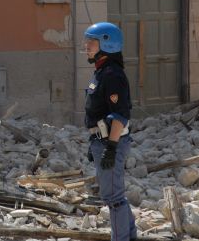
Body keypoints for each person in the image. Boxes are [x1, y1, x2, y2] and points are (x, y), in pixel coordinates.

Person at [83, 22, 137, 241]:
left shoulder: (113, 74)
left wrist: (111, 149)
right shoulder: (101, 71)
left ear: (108, 44)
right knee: (115, 196)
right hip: (102, 141)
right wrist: (94, 142)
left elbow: (120, 115)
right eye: (86, 42)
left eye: (92, 42)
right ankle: (130, 236)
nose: (87, 46)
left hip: (110, 142)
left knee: (114, 199)